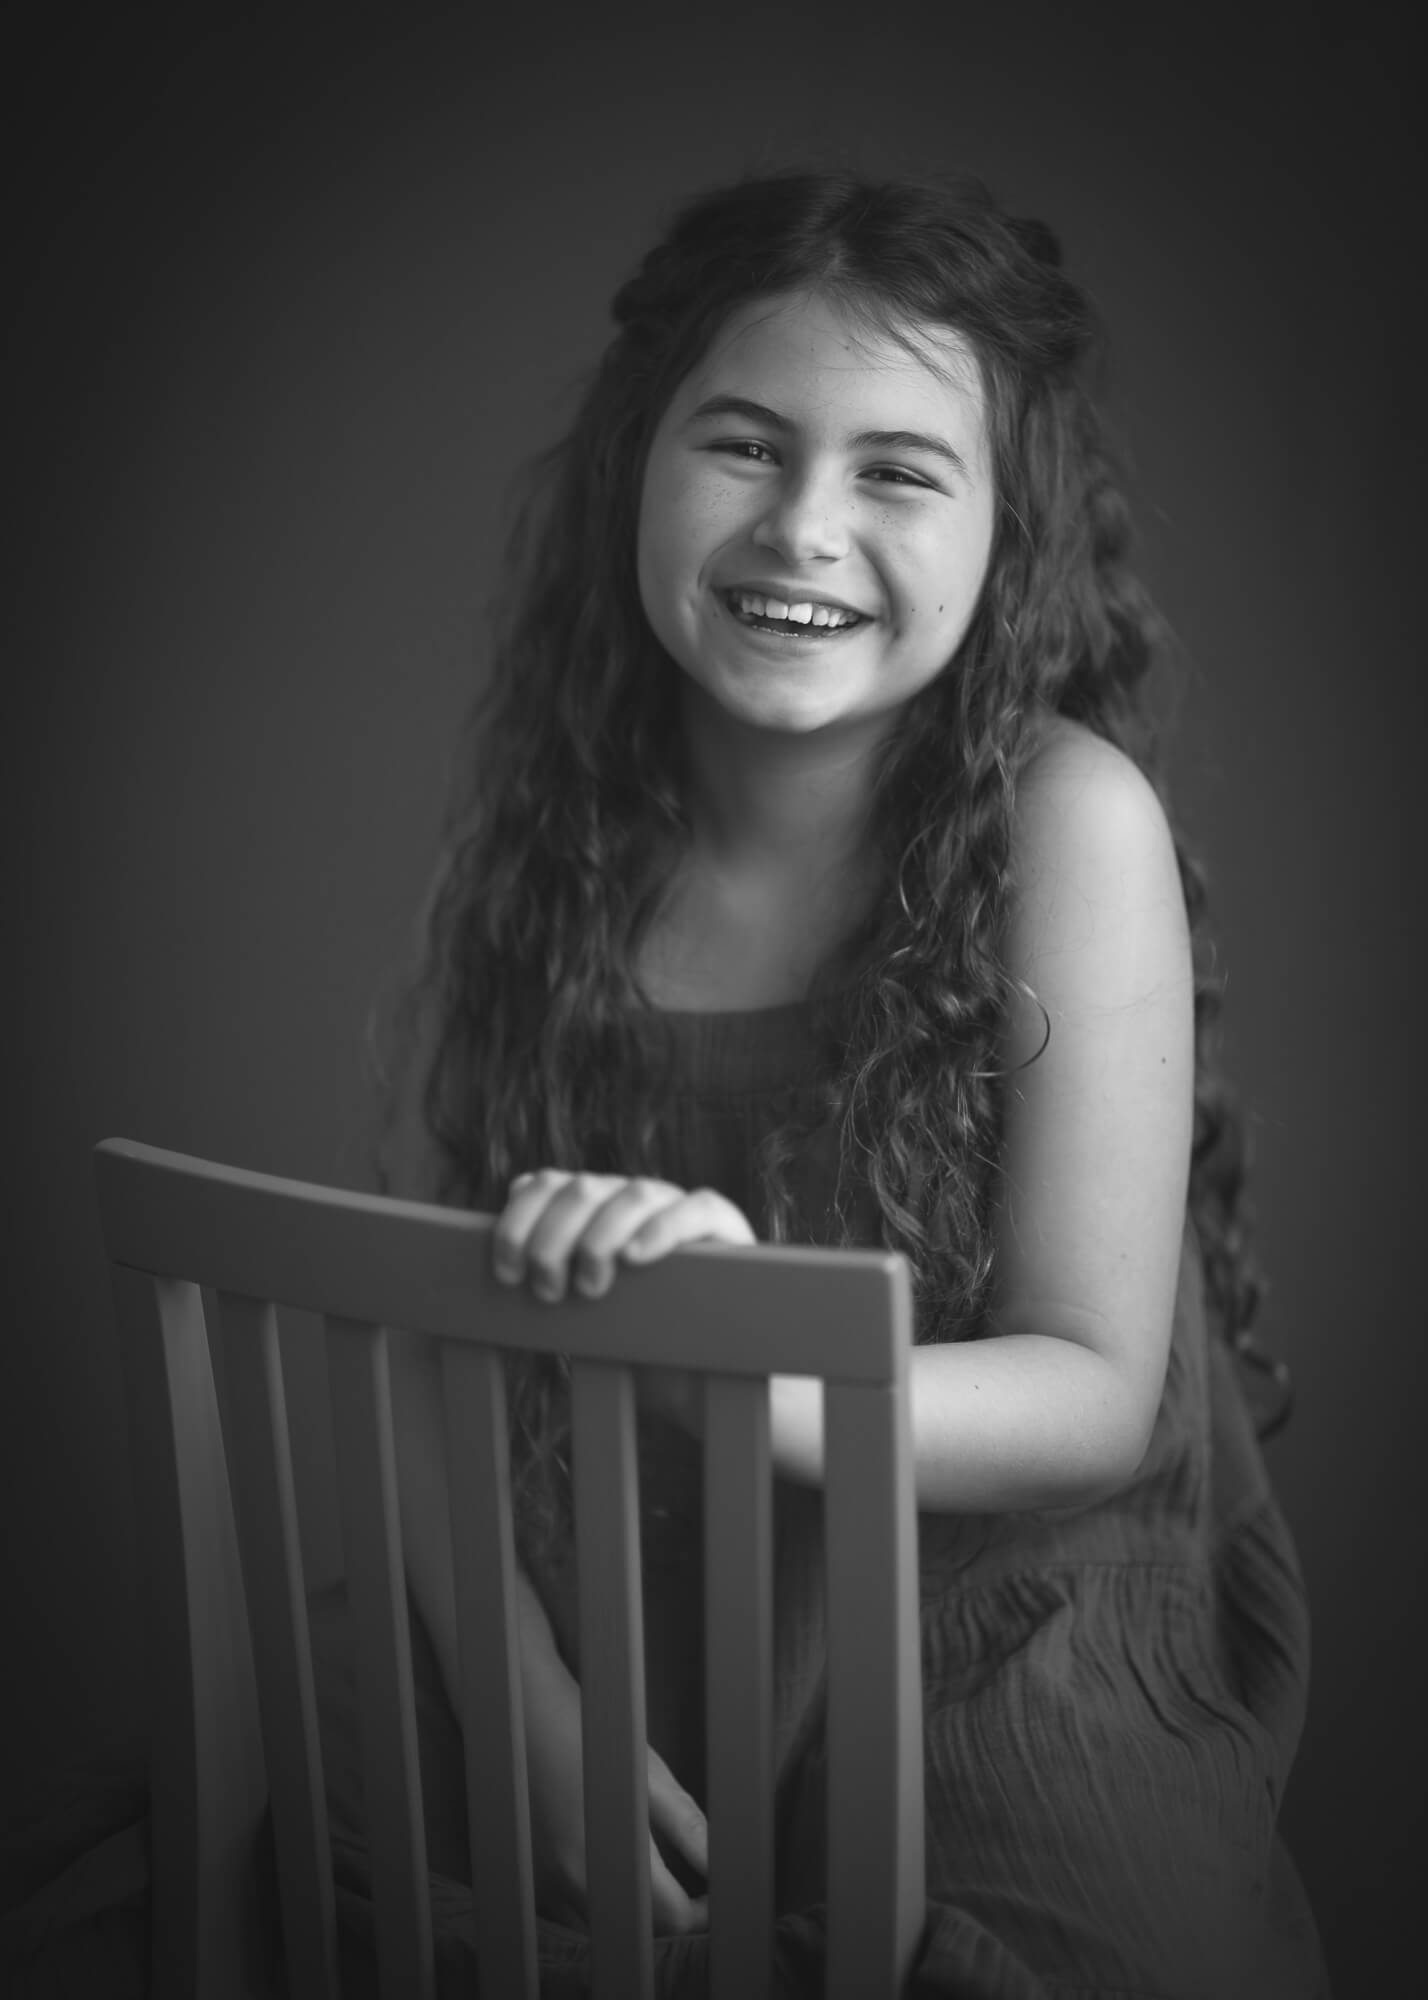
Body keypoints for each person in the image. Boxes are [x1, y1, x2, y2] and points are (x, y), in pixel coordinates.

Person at [339, 166, 1330, 1997]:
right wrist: (532, 1707)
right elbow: (435, 1341)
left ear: (1004, 533)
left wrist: (753, 1353)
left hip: (1000, 1637)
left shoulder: (1066, 821)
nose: (803, 525)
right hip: (632, 1619)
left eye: (897, 470)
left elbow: (1093, 1395)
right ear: (639, 462)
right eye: (742, 443)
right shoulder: (571, 841)